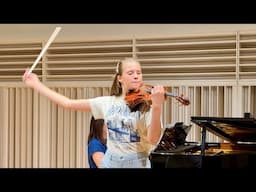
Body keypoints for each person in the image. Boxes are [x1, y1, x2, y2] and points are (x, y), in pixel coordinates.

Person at [22, 57, 165, 168]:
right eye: (130, 73)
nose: (136, 76)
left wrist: (157, 107)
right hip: (111, 161)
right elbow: (68, 103)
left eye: (139, 73)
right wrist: (37, 85)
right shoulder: (107, 102)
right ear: (120, 78)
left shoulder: (146, 105)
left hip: (137, 162)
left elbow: (152, 140)